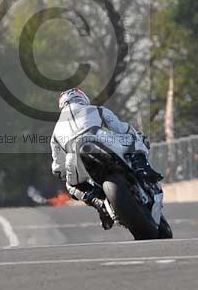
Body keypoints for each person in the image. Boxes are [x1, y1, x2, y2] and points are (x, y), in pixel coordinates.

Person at [51, 87, 163, 230]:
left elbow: (58, 167)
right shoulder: (97, 109)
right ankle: (143, 168)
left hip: (74, 158)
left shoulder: (55, 132)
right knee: (134, 136)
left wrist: (64, 173)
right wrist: (138, 135)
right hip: (100, 139)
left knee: (70, 184)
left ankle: (98, 202)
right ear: (82, 98)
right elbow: (122, 128)